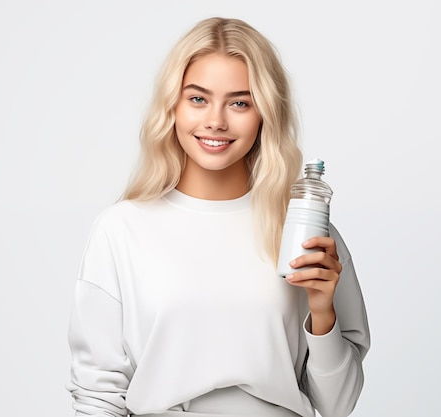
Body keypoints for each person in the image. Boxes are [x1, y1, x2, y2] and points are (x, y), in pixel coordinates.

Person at [66, 17, 370, 417]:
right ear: (172, 106)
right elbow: (97, 396)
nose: (216, 120)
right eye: (197, 99)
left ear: (265, 114)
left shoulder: (305, 234)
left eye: (239, 102)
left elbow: (337, 406)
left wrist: (323, 311)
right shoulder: (121, 230)